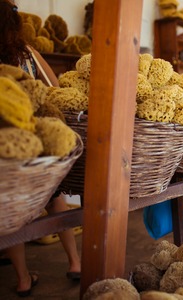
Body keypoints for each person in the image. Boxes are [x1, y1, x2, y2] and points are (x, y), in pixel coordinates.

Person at [0, 0, 81, 296]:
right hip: (37, 137)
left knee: (11, 208)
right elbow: (55, 85)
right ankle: (75, 262)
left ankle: (23, 279)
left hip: (6, 142)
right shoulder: (27, 54)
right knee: (54, 196)